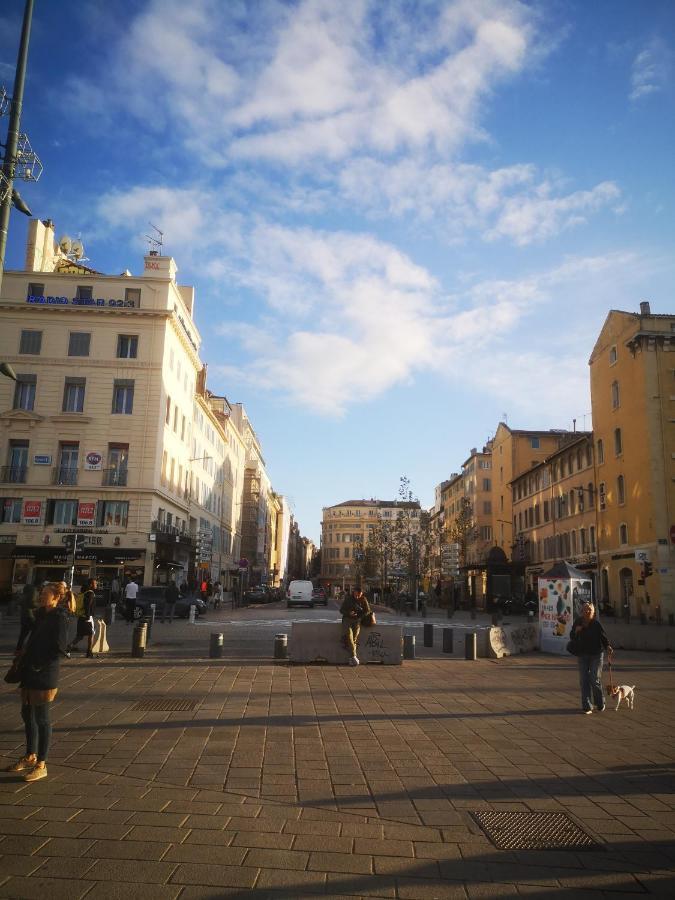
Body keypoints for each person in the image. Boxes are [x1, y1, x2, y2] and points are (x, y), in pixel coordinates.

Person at [3, 583, 73, 782]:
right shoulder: (42, 614)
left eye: (45, 594)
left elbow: (60, 648)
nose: (41, 597)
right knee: (27, 714)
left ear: (56, 597)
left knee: (42, 718)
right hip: (30, 670)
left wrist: (40, 663)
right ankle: (30, 756)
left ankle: (42, 763)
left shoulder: (60, 617)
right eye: (41, 594)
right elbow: (30, 633)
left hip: (43, 673)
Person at [570, 601, 612, 714]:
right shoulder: (578, 622)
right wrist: (576, 631)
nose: (587, 611)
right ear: (582, 611)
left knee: (594, 679)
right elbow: (571, 636)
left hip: (596, 654)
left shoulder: (596, 624)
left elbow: (603, 637)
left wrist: (608, 646)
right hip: (582, 654)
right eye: (585, 609)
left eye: (590, 610)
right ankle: (587, 706)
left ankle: (600, 702)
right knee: (584, 680)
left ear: (593, 612)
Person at [340, 587, 371, 667]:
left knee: (354, 639)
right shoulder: (348, 599)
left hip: (357, 621)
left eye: (359, 595)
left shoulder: (363, 599)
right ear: (354, 592)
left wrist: (360, 615)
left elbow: (368, 611)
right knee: (349, 637)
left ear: (361, 594)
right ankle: (354, 656)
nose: (357, 597)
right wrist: (349, 613)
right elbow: (341, 610)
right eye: (356, 595)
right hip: (347, 620)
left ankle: (351, 659)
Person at [68, 579, 97, 657]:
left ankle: (68, 648)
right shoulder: (90, 593)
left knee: (80, 636)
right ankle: (89, 652)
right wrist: (88, 616)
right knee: (91, 634)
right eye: (95, 583)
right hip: (87, 617)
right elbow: (87, 605)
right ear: (91, 584)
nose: (96, 584)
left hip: (81, 617)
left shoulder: (83, 593)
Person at [16, 582, 40, 652]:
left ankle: (18, 649)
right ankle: (29, 648)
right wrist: (39, 604)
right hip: (31, 616)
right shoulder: (34, 591)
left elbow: (19, 603)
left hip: (24, 616)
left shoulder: (24, 594)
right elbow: (32, 604)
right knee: (35, 632)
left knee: (23, 634)